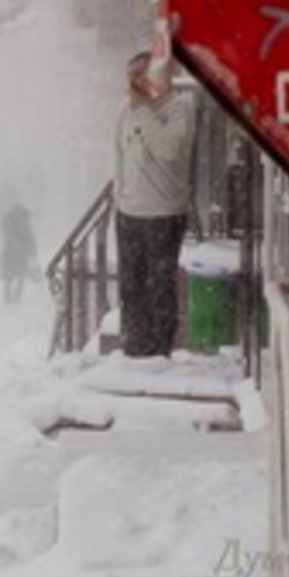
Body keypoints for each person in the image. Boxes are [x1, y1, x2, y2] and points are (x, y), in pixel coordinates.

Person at [114, 50, 196, 358]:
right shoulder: (125, 109)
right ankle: (135, 343)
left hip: (164, 212)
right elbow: (119, 154)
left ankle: (159, 347)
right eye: (130, 75)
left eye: (139, 74)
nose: (133, 82)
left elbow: (168, 151)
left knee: (159, 282)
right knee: (131, 283)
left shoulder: (179, 109)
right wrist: (118, 200)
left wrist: (146, 110)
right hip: (129, 210)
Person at [0, 203, 38, 305]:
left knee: (10, 276)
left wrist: (32, 251)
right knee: (20, 275)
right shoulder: (24, 220)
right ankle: (16, 298)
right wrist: (32, 251)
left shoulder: (9, 218)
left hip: (10, 250)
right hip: (20, 251)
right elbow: (30, 236)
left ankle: (8, 297)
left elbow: (7, 233)